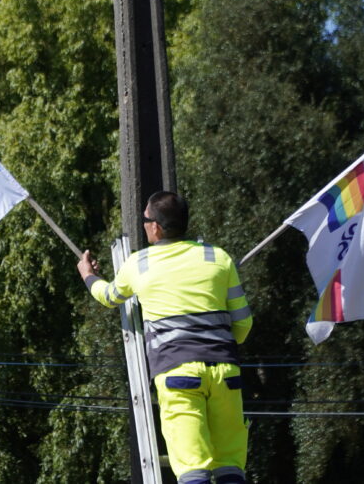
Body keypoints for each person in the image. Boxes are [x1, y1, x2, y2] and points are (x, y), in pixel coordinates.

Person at [77, 191, 253, 484]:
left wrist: (88, 275)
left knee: (193, 469)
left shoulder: (139, 264)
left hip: (177, 374)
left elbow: (109, 296)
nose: (144, 224)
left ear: (155, 227)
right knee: (230, 466)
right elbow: (244, 323)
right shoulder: (218, 258)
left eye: (145, 219)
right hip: (226, 373)